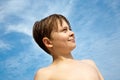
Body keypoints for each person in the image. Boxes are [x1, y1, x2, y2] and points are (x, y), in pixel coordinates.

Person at [33, 14, 104, 80]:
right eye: (64, 30)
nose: (72, 33)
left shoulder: (90, 64)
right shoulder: (44, 74)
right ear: (48, 42)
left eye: (70, 29)